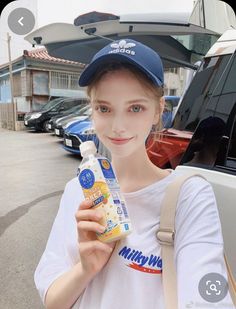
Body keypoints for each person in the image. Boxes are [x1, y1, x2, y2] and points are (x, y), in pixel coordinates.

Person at [34, 39, 234, 309]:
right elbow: (53, 301)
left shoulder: (189, 195)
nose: (118, 126)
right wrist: (86, 268)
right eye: (104, 108)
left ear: (158, 111)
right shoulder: (76, 191)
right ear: (92, 109)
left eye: (135, 108)